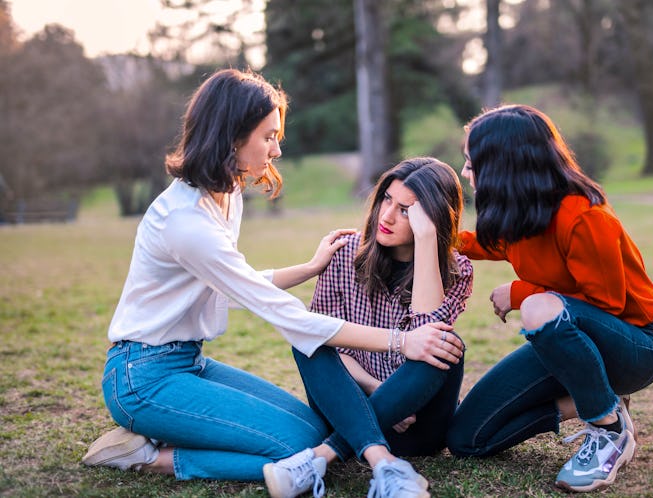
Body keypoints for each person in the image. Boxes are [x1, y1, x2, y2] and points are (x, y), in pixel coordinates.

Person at [80, 69, 464, 496]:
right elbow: (283, 315)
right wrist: (400, 342)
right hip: (142, 376)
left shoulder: (224, 196)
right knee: (296, 445)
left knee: (317, 430)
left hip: (188, 362)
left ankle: (176, 428)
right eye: (268, 136)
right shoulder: (186, 222)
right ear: (232, 135)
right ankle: (150, 458)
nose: (276, 149)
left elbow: (234, 285)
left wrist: (308, 267)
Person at [445, 104, 653, 493]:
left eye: (471, 162)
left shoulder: (584, 217)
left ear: (503, 164)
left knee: (537, 307)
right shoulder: (519, 213)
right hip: (565, 343)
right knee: (467, 439)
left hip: (634, 346)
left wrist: (519, 292)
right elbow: (483, 244)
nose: (466, 173)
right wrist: (428, 238)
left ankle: (607, 430)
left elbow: (606, 305)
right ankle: (596, 401)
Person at [263, 157, 473, 498]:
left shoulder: (457, 269)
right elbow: (327, 340)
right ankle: (384, 464)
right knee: (308, 339)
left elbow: (426, 333)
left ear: (431, 220)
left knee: (443, 342)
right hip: (348, 407)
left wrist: (426, 240)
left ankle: (321, 456)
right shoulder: (344, 254)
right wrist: (378, 390)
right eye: (386, 200)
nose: (386, 216)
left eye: (406, 210)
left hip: (418, 428)